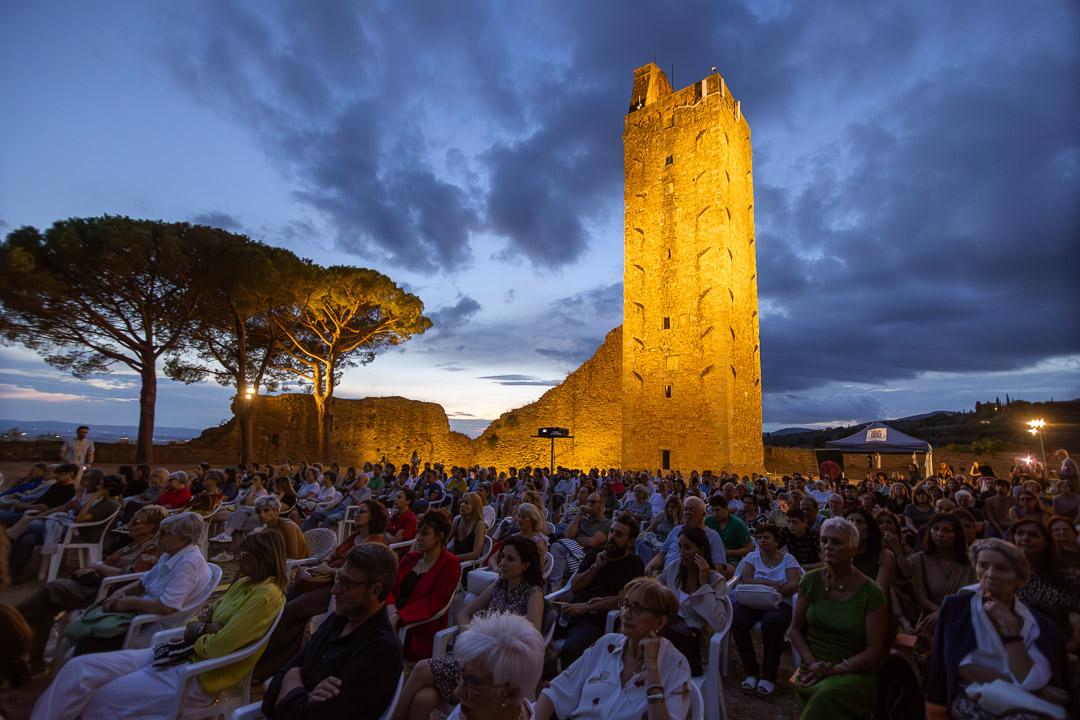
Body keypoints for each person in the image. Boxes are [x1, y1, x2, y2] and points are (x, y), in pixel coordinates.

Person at [34, 531, 285, 720]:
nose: (237, 558)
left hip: (199, 673)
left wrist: (202, 630)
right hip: (177, 651)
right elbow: (202, 616)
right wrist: (204, 627)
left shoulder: (265, 596)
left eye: (244, 554)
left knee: (100, 700)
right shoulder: (243, 583)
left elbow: (218, 647)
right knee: (79, 668)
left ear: (262, 557)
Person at [395, 535, 545, 720]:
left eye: (510, 559)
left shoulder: (533, 593)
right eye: (502, 557)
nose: (503, 563)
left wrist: (483, 650)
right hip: (474, 662)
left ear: (526, 565)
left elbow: (533, 637)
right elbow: (464, 614)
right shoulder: (499, 585)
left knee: (421, 668)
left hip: (496, 671)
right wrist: (472, 643)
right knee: (423, 699)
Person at [925, 538, 1070, 720]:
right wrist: (1038, 690)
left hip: (1030, 705)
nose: (990, 574)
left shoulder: (1038, 623)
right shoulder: (957, 608)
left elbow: (1031, 679)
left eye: (1001, 568)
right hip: (972, 697)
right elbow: (963, 669)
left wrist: (1010, 630)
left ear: (1019, 579)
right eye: (983, 565)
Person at [262, 543, 403, 720]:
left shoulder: (381, 651)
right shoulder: (340, 619)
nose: (334, 590)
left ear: (374, 590)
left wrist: (292, 681)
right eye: (338, 578)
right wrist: (302, 694)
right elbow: (283, 674)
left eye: (346, 583)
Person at [17, 505, 167, 671]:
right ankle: (32, 655)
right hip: (95, 583)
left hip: (105, 590)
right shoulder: (134, 544)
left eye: (136, 522)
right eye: (131, 520)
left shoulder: (152, 549)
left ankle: (14, 622)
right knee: (45, 605)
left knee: (50, 591)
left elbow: (134, 576)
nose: (129, 524)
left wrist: (98, 567)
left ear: (150, 527)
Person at [255, 499, 389, 679]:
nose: (356, 514)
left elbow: (361, 577)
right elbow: (334, 554)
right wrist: (325, 562)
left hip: (339, 588)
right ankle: (271, 654)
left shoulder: (375, 544)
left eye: (362, 511)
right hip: (323, 579)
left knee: (291, 610)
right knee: (283, 601)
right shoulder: (355, 537)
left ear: (374, 517)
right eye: (356, 511)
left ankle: (273, 665)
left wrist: (330, 570)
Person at [535, 577, 693, 720]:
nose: (626, 613)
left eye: (636, 608)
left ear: (659, 622)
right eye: (625, 604)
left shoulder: (674, 664)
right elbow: (555, 691)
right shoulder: (607, 645)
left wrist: (652, 668)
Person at [65, 511, 212, 656]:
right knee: (80, 629)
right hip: (138, 614)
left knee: (83, 644)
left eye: (164, 534)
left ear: (184, 539)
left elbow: (166, 607)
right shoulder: (171, 553)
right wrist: (121, 593)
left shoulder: (188, 565)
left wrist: (130, 603)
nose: (158, 537)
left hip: (150, 625)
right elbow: (144, 581)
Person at [789, 517, 888, 719]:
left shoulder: (871, 593)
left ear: (854, 549)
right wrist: (813, 664)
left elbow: (874, 651)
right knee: (821, 695)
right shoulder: (810, 581)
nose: (828, 546)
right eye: (824, 540)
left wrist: (836, 669)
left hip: (853, 671)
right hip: (813, 667)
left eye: (836, 542)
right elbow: (795, 630)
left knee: (826, 696)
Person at [555, 512, 645, 667]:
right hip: (570, 611)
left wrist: (585, 607)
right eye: (611, 532)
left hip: (594, 619)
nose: (612, 537)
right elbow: (574, 587)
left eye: (619, 534)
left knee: (570, 651)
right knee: (533, 635)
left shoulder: (633, 564)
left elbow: (622, 600)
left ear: (630, 541)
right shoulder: (596, 554)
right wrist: (595, 568)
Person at [7, 472, 124, 582]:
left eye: (101, 484)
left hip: (79, 534)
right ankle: (12, 572)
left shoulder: (109, 504)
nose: (98, 486)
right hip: (71, 529)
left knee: (31, 524)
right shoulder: (104, 501)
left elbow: (80, 519)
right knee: (29, 538)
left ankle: (10, 538)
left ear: (108, 488)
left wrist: (93, 498)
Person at [730, 523, 802, 696]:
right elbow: (745, 579)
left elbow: (794, 583)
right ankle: (751, 671)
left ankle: (769, 676)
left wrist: (780, 589)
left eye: (767, 537)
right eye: (760, 537)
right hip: (753, 601)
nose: (762, 540)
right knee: (737, 619)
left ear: (776, 541)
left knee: (772, 624)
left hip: (780, 603)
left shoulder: (788, 559)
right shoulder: (752, 557)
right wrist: (772, 584)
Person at [440, 612, 545, 720]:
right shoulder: (469, 711)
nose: (457, 692)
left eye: (471, 682)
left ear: (510, 693)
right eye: (462, 677)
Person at [386, 510, 461, 661]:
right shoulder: (411, 558)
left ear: (439, 536)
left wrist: (400, 616)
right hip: (391, 612)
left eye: (425, 534)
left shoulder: (450, 564)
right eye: (419, 532)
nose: (419, 538)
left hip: (418, 625)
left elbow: (436, 601)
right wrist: (391, 608)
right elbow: (390, 586)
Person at [1006, 518, 1080, 642]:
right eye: (1020, 533)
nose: (1025, 538)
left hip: (1055, 640)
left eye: (1033, 535)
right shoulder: (1001, 574)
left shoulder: (1067, 575)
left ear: (1046, 543)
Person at [910, 513, 976, 636]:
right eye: (935, 529)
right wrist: (942, 612)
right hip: (932, 619)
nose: (940, 534)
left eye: (947, 530)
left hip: (965, 617)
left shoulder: (970, 562)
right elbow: (922, 598)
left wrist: (946, 612)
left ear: (957, 534)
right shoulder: (919, 560)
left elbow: (973, 596)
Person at [645, 496, 727, 576]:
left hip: (691, 579)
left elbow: (718, 570)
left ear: (703, 514)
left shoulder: (712, 536)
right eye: (686, 509)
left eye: (692, 510)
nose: (688, 512)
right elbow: (662, 555)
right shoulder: (676, 530)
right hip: (667, 576)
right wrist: (650, 566)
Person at [548, 492, 611, 589]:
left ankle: (555, 589)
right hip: (571, 551)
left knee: (556, 555)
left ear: (601, 505)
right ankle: (555, 589)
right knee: (555, 554)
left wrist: (575, 538)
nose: (589, 504)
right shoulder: (583, 519)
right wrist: (579, 515)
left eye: (593, 502)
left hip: (586, 556)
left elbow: (591, 542)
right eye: (588, 501)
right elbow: (568, 535)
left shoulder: (607, 523)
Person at [844, 506, 896, 598]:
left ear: (869, 528)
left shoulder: (884, 556)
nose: (853, 525)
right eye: (849, 521)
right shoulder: (839, 553)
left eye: (859, 522)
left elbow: (879, 596)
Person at [704, 494, 753, 561]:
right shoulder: (708, 521)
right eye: (713, 510)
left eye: (718, 510)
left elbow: (749, 549)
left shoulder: (738, 524)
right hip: (711, 557)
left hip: (732, 559)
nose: (715, 513)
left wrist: (725, 552)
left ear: (726, 508)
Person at [448, 492, 487, 563]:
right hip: (452, 560)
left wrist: (451, 558)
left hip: (467, 564)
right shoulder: (457, 521)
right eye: (462, 502)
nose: (462, 505)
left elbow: (476, 555)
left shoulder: (479, 525)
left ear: (474, 507)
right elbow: (444, 542)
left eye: (466, 503)